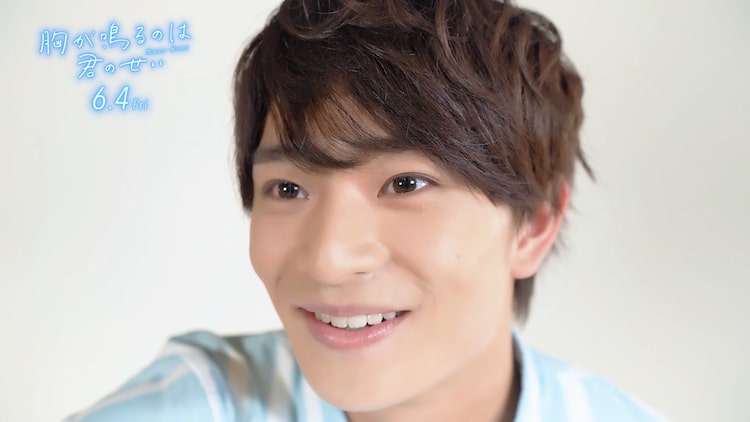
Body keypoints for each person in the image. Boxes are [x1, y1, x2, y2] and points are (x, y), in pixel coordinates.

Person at [67, 0, 666, 421]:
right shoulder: (200, 405)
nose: (328, 259)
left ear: (533, 224)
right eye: (288, 189)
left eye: (406, 184)